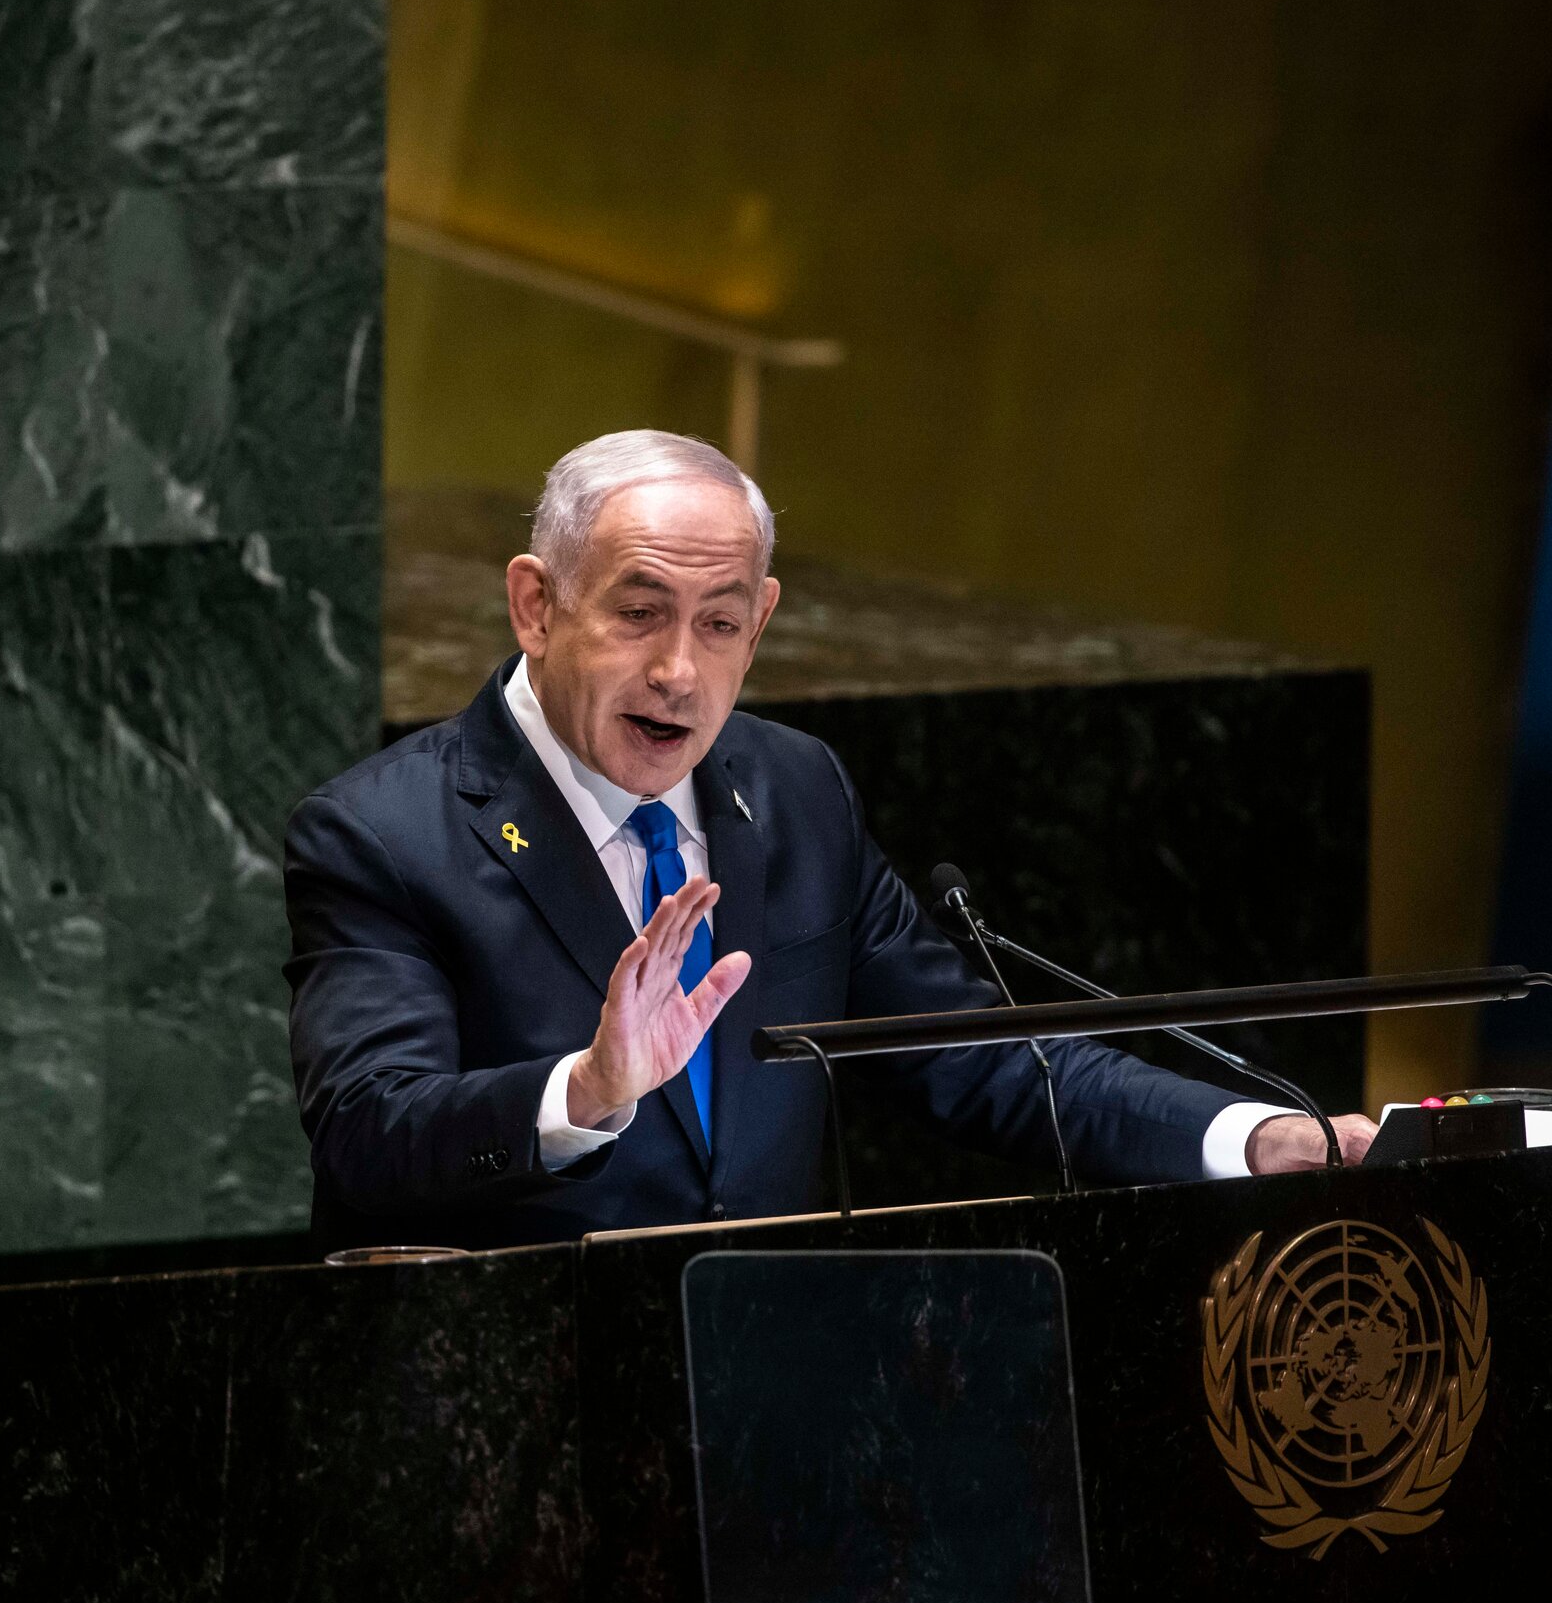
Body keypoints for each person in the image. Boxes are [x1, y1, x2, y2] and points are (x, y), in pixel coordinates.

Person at [285, 431, 1375, 1248]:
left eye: (719, 623)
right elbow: (368, 1137)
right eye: (638, 612)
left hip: (768, 1379)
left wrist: (1250, 1138)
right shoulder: (384, 834)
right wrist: (586, 1089)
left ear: (759, 622)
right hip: (512, 1402)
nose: (679, 671)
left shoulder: (796, 790)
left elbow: (979, 1055)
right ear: (535, 605)